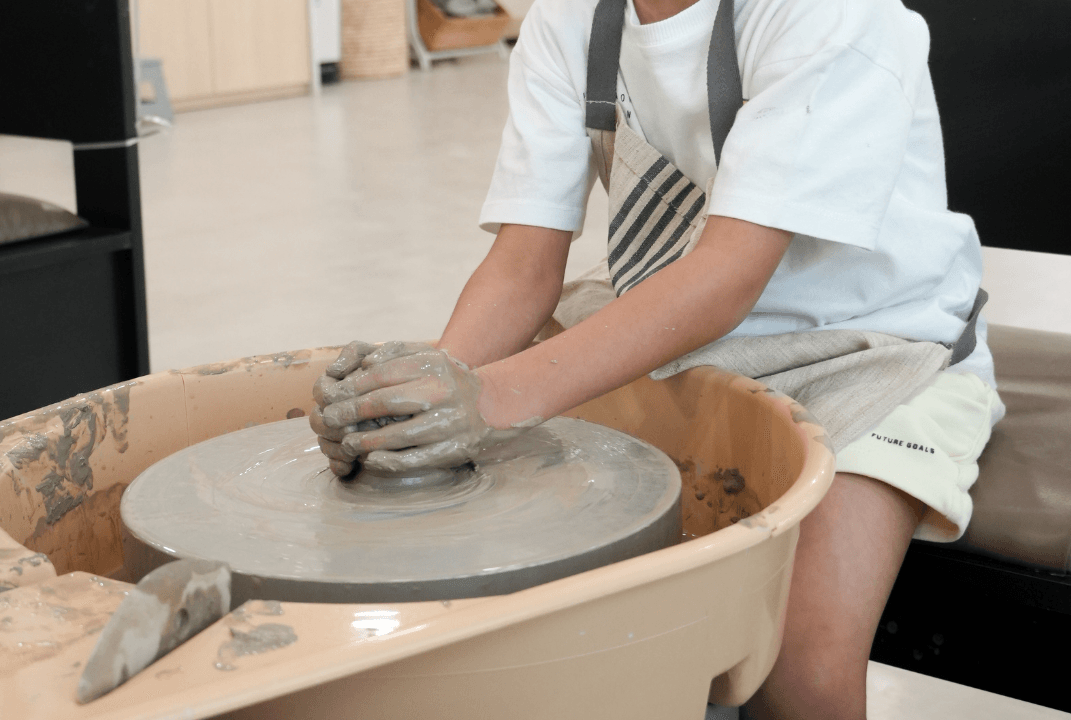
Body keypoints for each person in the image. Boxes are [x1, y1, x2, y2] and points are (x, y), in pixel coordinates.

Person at [310, 0, 1005, 716]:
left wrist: (489, 398)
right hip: (669, 335)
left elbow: (728, 276)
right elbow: (523, 264)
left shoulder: (832, 13)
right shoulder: (568, 19)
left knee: (796, 664)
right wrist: (429, 396)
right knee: (544, 608)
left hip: (869, 350)